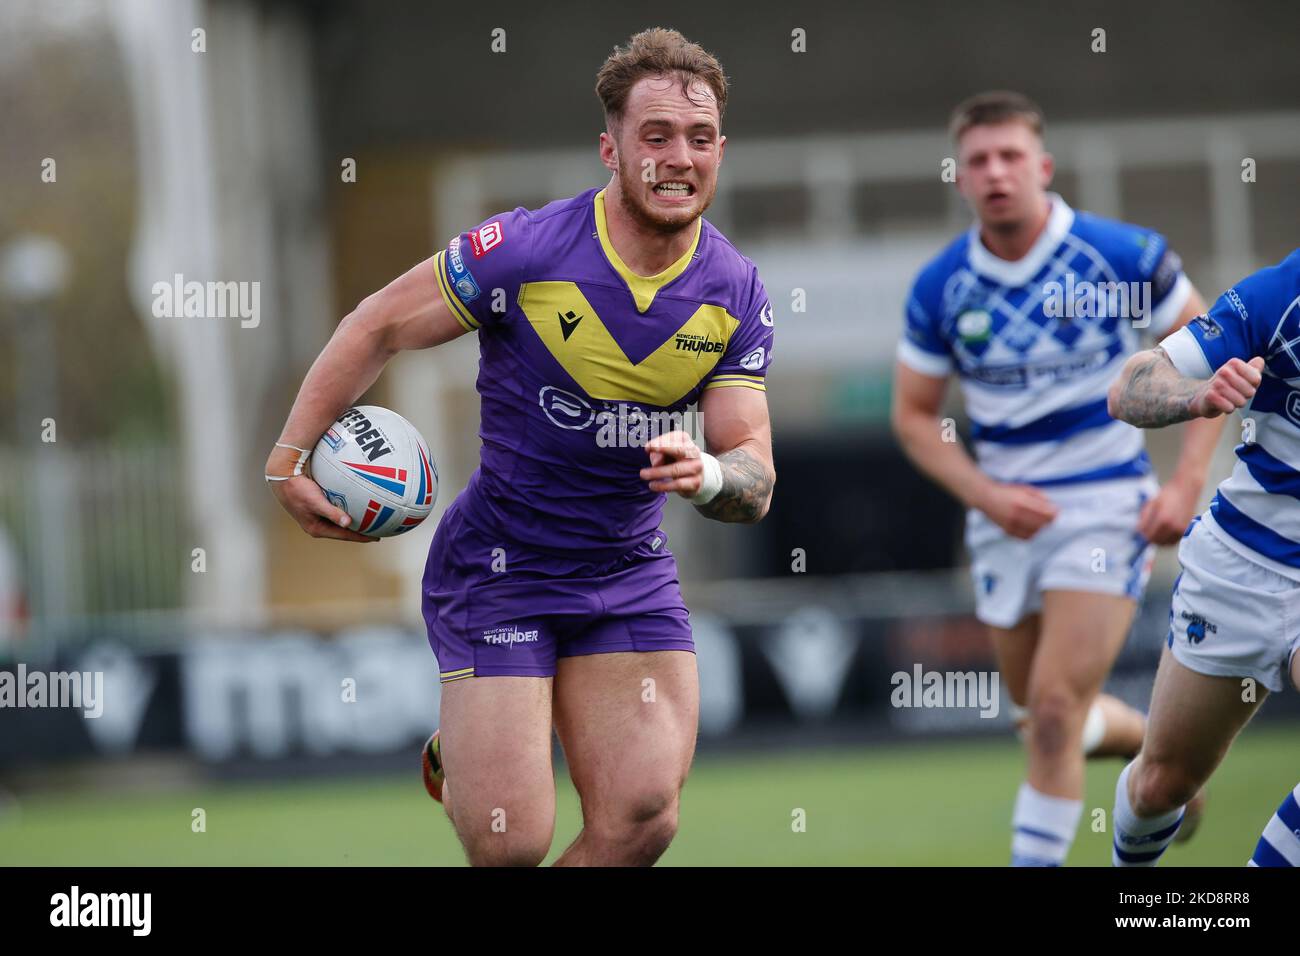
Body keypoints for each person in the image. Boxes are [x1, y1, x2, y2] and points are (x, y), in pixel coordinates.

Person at [265, 28, 775, 866]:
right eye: (655, 137)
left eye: (700, 138)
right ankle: (469, 747)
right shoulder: (529, 249)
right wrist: (288, 457)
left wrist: (711, 471)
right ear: (610, 148)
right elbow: (378, 325)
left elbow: (753, 471)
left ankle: (472, 745)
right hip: (500, 571)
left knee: (646, 816)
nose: (679, 157)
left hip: (626, 570)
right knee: (510, 845)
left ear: (722, 149)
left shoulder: (735, 290)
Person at [891, 91, 1221, 866]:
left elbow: (1214, 359)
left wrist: (1185, 486)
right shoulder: (940, 287)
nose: (996, 172)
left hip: (1106, 505)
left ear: (1042, 166)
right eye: (978, 160)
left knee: (1049, 714)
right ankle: (1153, 746)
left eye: (1011, 156)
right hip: (1005, 519)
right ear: (960, 177)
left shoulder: (1124, 255)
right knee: (1037, 717)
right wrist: (986, 495)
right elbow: (914, 417)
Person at [1107, 249, 1299, 866]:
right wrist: (1199, 396)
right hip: (1242, 564)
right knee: (1162, 784)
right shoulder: (1281, 296)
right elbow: (1131, 384)